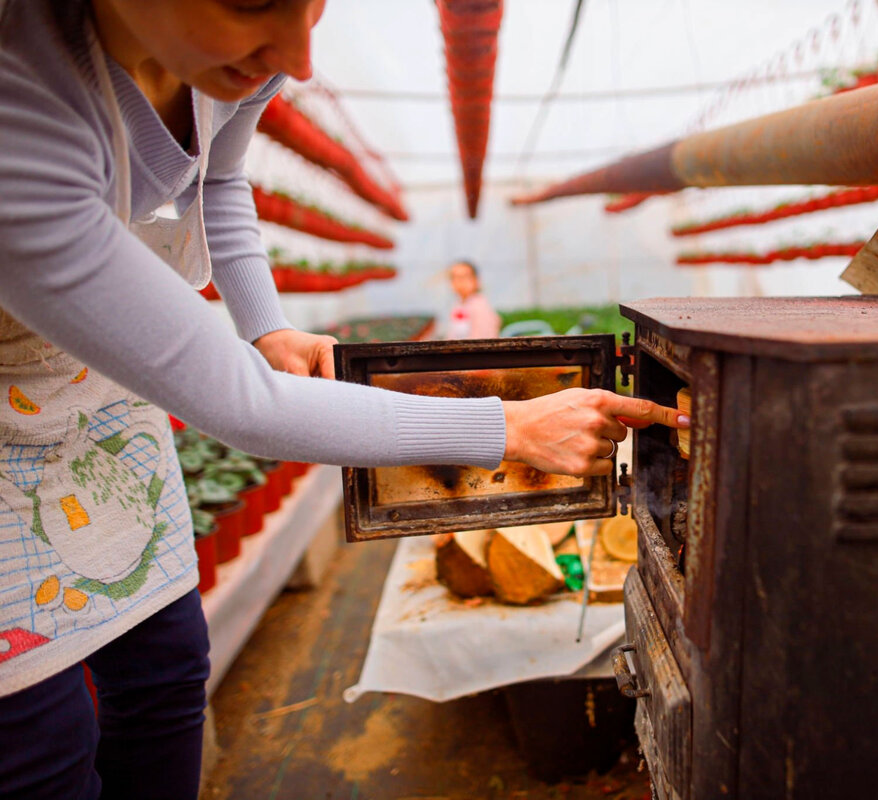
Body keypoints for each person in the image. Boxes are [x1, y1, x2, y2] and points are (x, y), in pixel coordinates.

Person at [0, 2, 687, 797]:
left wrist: (267, 326)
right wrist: (507, 425)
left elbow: (220, 181)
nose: (296, 57)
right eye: (254, 4)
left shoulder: (227, 65)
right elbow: (242, 408)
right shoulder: (20, 117)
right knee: (42, 742)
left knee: (166, 673)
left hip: (101, 404)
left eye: (314, 9)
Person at [444, 259, 501, 339]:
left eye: (463, 277)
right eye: (454, 277)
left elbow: (480, 341)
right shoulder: (458, 304)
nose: (458, 281)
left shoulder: (480, 306)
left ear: (476, 280)